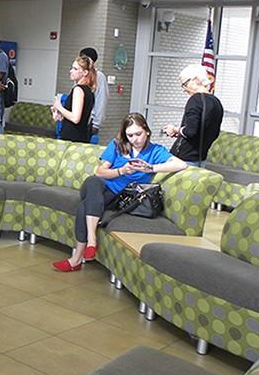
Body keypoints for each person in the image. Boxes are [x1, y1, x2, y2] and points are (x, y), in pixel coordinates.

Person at [51, 112, 188, 272]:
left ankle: (76, 259)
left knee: (84, 206)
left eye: (138, 134)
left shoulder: (156, 151)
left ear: (147, 131)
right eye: (130, 135)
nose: (135, 139)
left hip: (122, 197)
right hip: (102, 188)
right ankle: (91, 240)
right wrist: (121, 171)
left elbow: (181, 164)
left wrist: (151, 167)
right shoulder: (117, 145)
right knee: (92, 181)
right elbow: (100, 172)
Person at [163, 64, 223, 166]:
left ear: (196, 80)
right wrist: (181, 132)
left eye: (185, 84)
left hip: (184, 159)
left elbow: (190, 132)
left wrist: (174, 129)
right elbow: (206, 132)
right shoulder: (216, 102)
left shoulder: (195, 100)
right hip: (201, 158)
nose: (184, 89)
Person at [53, 55, 96, 143]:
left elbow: (76, 118)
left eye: (75, 69)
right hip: (81, 136)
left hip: (72, 139)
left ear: (85, 72)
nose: (70, 71)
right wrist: (61, 116)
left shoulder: (78, 90)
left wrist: (59, 106)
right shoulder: (89, 91)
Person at [80, 47, 109, 144]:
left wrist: (96, 124)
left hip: (89, 120)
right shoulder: (81, 75)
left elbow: (101, 100)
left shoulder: (98, 76)